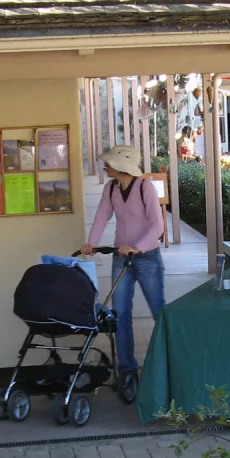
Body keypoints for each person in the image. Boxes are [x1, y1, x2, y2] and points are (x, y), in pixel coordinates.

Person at [80, 144, 165, 376]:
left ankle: (166, 362)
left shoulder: (144, 187)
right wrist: (91, 244)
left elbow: (158, 225)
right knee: (120, 314)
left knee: (159, 312)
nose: (105, 166)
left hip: (147, 258)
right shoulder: (110, 188)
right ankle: (127, 368)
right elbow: (100, 218)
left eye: (108, 163)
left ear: (120, 164)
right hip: (121, 257)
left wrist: (138, 247)